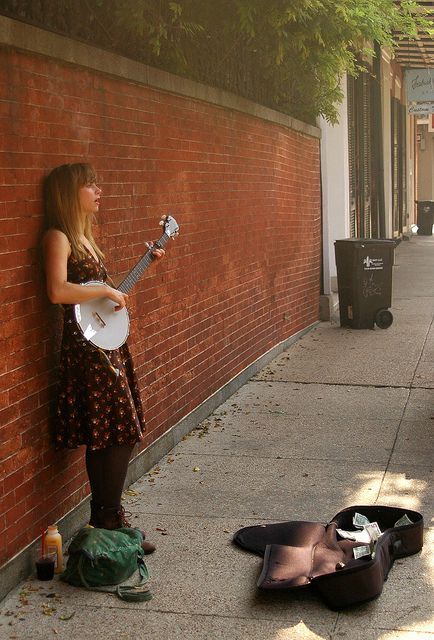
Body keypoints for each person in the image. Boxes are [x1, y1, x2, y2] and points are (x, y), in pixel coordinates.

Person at [42, 162, 164, 552]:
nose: (98, 191)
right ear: (68, 193)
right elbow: (58, 292)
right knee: (119, 429)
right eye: (89, 185)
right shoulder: (58, 237)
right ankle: (108, 517)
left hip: (103, 345)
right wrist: (106, 293)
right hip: (84, 351)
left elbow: (97, 294)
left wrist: (138, 271)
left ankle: (106, 518)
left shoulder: (86, 240)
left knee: (109, 433)